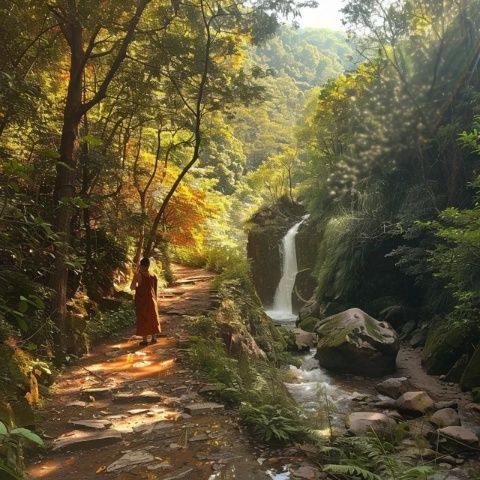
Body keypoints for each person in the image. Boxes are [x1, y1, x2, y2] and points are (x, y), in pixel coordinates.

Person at [130, 257, 161, 346]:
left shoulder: (138, 275)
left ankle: (144, 340)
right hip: (152, 299)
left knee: (143, 318)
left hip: (142, 300)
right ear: (148, 265)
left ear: (141, 265)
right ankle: (154, 338)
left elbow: (131, 287)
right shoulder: (153, 275)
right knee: (152, 317)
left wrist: (135, 283)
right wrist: (155, 299)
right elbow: (155, 289)